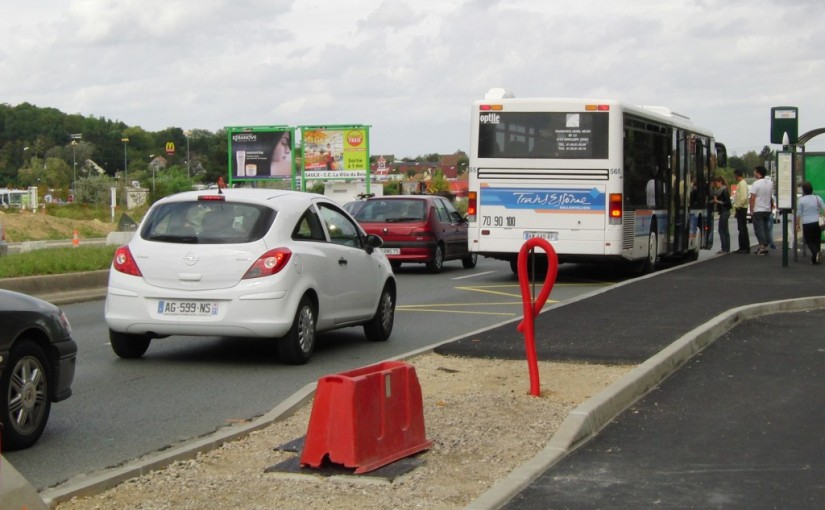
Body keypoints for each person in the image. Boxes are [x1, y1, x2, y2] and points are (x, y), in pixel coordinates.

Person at [795, 181, 825, 264]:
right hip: (817, 222)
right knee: (817, 240)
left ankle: (816, 253)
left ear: (803, 190)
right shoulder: (817, 198)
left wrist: (797, 224)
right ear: (812, 189)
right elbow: (824, 208)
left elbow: (798, 214)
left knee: (808, 240)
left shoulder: (801, 200)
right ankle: (815, 260)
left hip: (807, 223)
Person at [749, 165, 773, 255]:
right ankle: (764, 246)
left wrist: (751, 209)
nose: (754, 173)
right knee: (766, 228)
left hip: (758, 208)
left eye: (754, 171)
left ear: (758, 172)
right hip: (767, 209)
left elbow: (752, 197)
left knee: (759, 229)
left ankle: (762, 246)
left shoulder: (756, 184)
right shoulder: (770, 183)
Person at [711, 176, 732, 254]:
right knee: (725, 230)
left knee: (722, 230)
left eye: (716, 183)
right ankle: (727, 248)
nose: (715, 185)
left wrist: (718, 201)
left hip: (724, 211)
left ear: (720, 182)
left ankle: (724, 248)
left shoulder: (723, 191)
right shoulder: (722, 190)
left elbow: (728, 203)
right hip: (724, 212)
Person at [732, 169, 750, 253]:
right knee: (741, 228)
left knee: (742, 228)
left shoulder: (742, 184)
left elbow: (743, 197)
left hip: (742, 208)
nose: (734, 177)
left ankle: (744, 247)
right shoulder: (742, 183)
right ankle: (743, 246)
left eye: (734, 175)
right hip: (741, 208)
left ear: (736, 175)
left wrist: (739, 206)